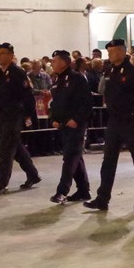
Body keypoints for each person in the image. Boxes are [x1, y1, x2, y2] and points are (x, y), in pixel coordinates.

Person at [84, 39, 134, 211]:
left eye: (113, 51)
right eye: (109, 51)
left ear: (122, 52)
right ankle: (102, 198)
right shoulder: (109, 71)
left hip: (130, 121)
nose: (110, 54)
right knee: (108, 160)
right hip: (114, 121)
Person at [0, 42, 41, 195]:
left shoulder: (17, 72)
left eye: (3, 53)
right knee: (16, 149)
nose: (0, 56)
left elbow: (27, 95)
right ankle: (33, 175)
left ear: (10, 55)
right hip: (2, 116)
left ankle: (2, 183)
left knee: (6, 150)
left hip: (13, 115)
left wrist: (28, 116)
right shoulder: (0, 73)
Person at [46, 49, 93, 204]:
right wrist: (54, 118)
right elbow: (55, 103)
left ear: (63, 62)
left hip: (75, 125)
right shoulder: (57, 80)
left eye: (55, 61)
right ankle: (83, 190)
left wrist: (77, 120)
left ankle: (62, 191)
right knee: (75, 157)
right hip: (63, 125)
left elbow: (86, 103)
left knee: (70, 157)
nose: (52, 63)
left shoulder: (76, 78)